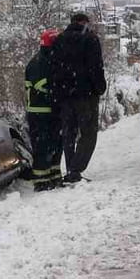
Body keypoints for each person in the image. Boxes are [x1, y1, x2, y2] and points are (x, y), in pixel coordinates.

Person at [50, 12, 107, 183]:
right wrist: (99, 87)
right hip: (86, 95)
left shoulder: (59, 40)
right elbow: (95, 67)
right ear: (84, 23)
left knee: (69, 133)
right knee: (88, 133)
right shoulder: (90, 39)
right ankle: (76, 169)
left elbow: (54, 68)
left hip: (65, 96)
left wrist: (58, 91)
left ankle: (70, 168)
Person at [23, 29, 63, 191]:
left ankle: (53, 176)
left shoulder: (49, 59)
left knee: (55, 145)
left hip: (51, 111)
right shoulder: (38, 62)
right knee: (42, 146)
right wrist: (61, 91)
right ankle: (41, 181)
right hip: (39, 111)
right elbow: (42, 85)